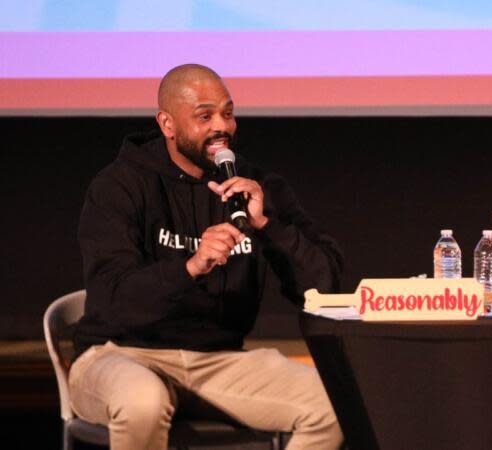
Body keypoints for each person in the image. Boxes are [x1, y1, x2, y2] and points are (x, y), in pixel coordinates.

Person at [70, 64, 344, 450]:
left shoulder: (255, 187)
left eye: (228, 113)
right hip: (121, 354)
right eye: (204, 116)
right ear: (167, 124)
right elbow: (113, 300)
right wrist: (191, 267)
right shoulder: (120, 186)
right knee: (143, 402)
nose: (223, 127)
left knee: (333, 406)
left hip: (217, 361)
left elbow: (325, 286)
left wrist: (267, 226)